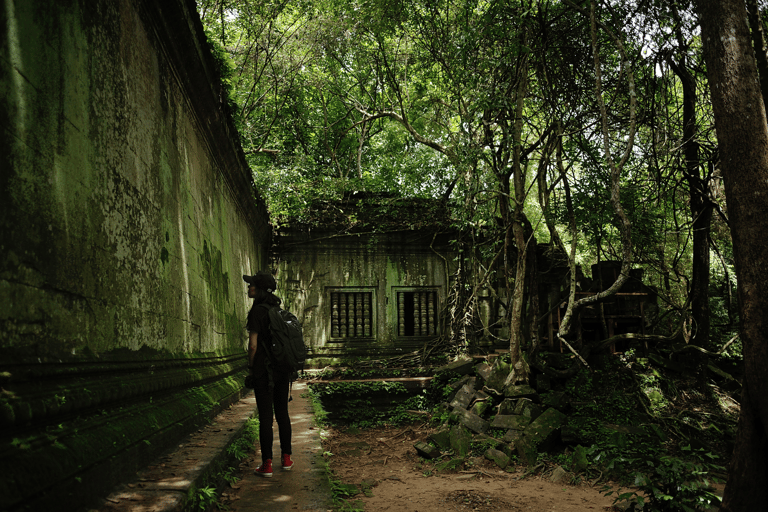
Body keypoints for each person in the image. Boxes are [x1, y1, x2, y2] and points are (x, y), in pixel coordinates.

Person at [244, 271, 293, 477]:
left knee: (266, 416)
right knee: (282, 413)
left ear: (260, 289)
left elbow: (253, 346)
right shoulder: (278, 311)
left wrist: (251, 367)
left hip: (264, 371)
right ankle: (287, 458)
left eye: (252, 285)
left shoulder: (257, 312)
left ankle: (267, 464)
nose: (249, 288)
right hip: (282, 369)